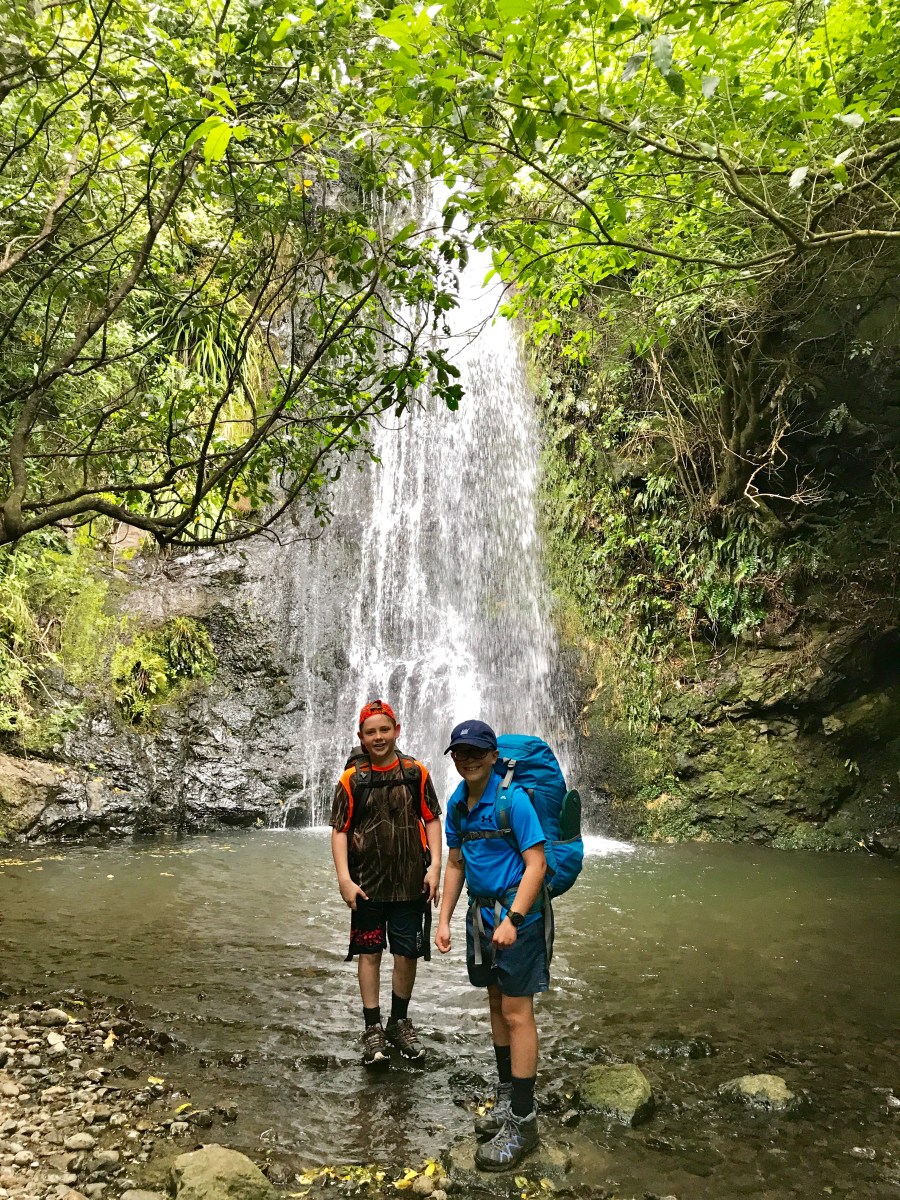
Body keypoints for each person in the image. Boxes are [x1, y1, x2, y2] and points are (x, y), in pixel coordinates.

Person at [435, 719, 550, 1172]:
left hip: (516, 918)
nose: (466, 760)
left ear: (492, 755)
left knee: (518, 1013)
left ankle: (524, 1120)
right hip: (481, 919)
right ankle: (506, 1096)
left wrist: (515, 920)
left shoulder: (513, 800)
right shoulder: (459, 806)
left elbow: (536, 863)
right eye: (459, 754)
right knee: (497, 1003)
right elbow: (456, 864)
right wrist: (443, 919)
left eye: (475, 753)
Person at [330, 698, 442, 1067]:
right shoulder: (351, 780)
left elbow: (431, 820)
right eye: (371, 731)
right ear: (361, 737)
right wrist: (345, 880)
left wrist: (435, 868)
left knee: (406, 953)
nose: (379, 737)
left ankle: (399, 1022)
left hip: (411, 883)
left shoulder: (416, 773)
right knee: (369, 953)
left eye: (384, 729)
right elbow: (340, 831)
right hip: (367, 885)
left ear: (397, 730)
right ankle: (372, 1026)